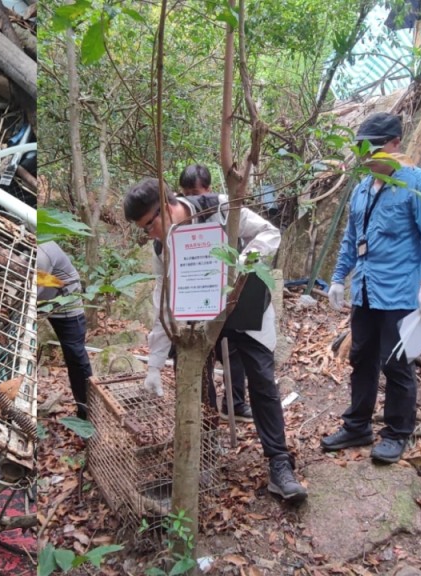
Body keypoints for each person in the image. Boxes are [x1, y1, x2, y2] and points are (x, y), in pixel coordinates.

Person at [123, 177, 307, 502]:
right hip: (202, 318)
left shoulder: (220, 208)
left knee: (262, 380)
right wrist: (154, 366)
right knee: (195, 380)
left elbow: (269, 233)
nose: (149, 234)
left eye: (149, 225)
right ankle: (206, 455)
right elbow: (162, 299)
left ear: (165, 208)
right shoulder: (161, 245)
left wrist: (238, 264)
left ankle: (280, 465)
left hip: (246, 306)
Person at [322, 112, 421, 464]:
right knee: (361, 357)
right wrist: (338, 278)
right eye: (363, 151)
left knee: (395, 363)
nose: (368, 158)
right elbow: (352, 239)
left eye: (375, 150)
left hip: (400, 291)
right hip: (365, 290)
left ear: (396, 144)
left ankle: (396, 433)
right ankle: (358, 425)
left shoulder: (418, 183)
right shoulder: (362, 188)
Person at [178, 163, 252, 422]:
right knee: (202, 353)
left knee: (232, 351)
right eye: (186, 192)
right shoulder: (180, 212)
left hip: (224, 290)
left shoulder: (224, 207)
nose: (192, 198)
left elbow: (251, 236)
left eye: (196, 192)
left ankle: (236, 404)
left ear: (208, 188)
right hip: (194, 291)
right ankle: (206, 414)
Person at [37, 242, 94, 420]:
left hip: (66, 303)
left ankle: (87, 411)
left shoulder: (42, 253)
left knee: (75, 355)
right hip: (45, 299)